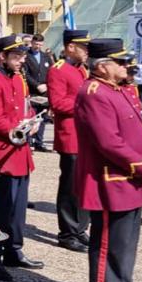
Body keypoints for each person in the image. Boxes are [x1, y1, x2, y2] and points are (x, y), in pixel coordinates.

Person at [74, 38, 142, 282]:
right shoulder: (94, 92)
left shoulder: (120, 89)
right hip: (111, 178)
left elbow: (136, 130)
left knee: (127, 242)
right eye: (119, 62)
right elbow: (109, 142)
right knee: (108, 243)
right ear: (102, 66)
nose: (125, 66)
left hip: (130, 177)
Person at [0, 34, 43, 282]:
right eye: (16, 56)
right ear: (2, 56)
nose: (21, 60)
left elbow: (26, 107)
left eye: (23, 56)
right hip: (2, 153)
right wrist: (18, 127)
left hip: (20, 151)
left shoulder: (19, 78)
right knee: (0, 209)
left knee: (17, 210)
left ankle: (14, 250)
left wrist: (33, 121)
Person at [47, 30, 91, 253]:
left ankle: (80, 228)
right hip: (70, 135)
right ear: (70, 47)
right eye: (83, 47)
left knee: (84, 185)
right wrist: (85, 102)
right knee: (70, 186)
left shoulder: (81, 69)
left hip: (85, 135)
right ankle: (67, 232)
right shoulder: (58, 70)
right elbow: (57, 103)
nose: (87, 51)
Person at [24, 33, 52, 152]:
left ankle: (39, 142)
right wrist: (36, 85)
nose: (38, 46)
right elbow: (26, 74)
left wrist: (47, 85)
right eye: (36, 44)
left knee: (42, 119)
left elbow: (51, 71)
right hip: (33, 91)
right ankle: (28, 141)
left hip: (44, 92)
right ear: (32, 43)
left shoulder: (46, 56)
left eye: (40, 44)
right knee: (32, 118)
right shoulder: (26, 56)